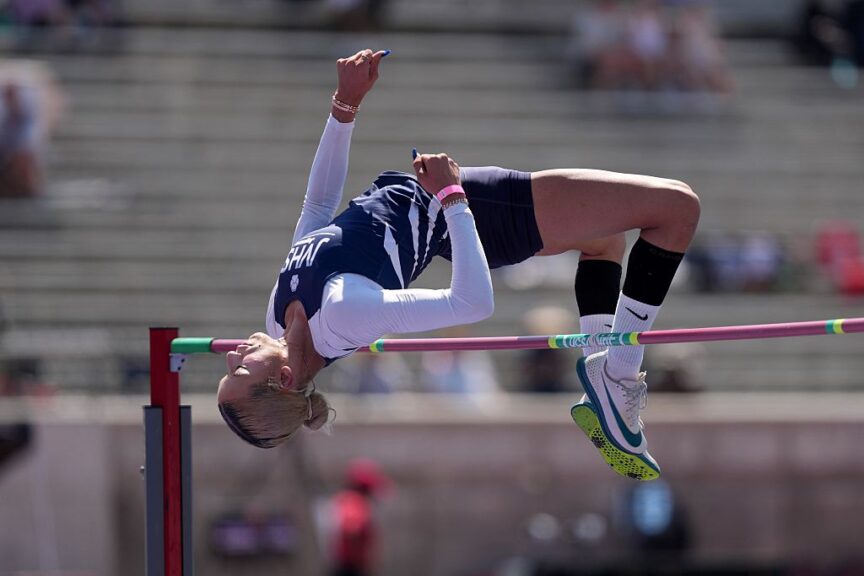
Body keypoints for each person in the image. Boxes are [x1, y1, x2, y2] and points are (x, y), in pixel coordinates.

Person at [216, 49, 700, 481]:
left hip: (451, 207)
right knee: (678, 208)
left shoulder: (276, 318)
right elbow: (470, 301)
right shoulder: (344, 316)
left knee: (604, 238)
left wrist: (344, 108)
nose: (232, 355)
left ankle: (604, 372)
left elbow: (317, 210)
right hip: (465, 214)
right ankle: (620, 374)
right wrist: (451, 196)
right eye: (239, 371)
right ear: (282, 380)